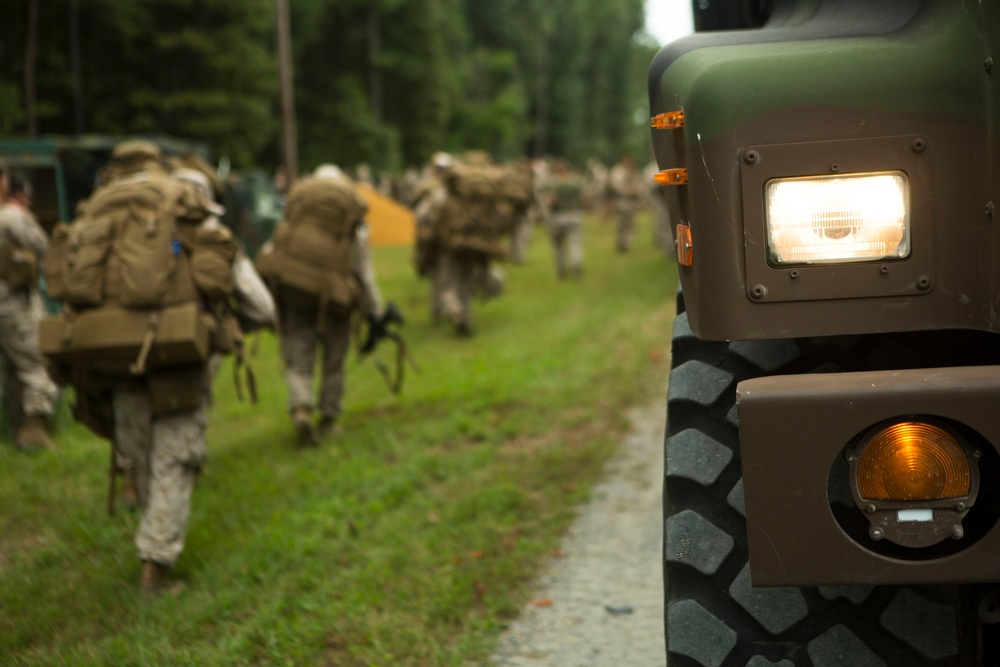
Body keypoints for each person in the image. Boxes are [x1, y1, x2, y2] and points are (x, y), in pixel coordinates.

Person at [42, 140, 249, 593]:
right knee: (176, 453)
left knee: (139, 447)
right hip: (171, 346)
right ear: (156, 163)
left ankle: (146, 513)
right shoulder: (178, 200)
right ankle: (155, 564)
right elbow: (217, 275)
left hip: (109, 351)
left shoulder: (95, 209)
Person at [258, 164, 384, 445]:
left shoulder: (296, 218)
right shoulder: (353, 228)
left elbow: (272, 252)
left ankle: (301, 406)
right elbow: (364, 272)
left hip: (295, 295)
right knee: (334, 360)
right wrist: (374, 310)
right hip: (335, 301)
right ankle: (329, 417)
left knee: (298, 356)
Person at [0, 174, 59, 451]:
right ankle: (34, 429)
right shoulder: (12, 217)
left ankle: (14, 427)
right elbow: (44, 248)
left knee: (11, 369)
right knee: (36, 363)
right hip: (14, 303)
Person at [542, 159, 586, 280]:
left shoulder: (552, 183)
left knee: (558, 246)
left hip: (558, 217)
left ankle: (562, 269)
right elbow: (583, 199)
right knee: (575, 243)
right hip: (574, 215)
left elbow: (551, 201)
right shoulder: (576, 182)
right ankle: (576, 263)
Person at [608, 155, 641, 252]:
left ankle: (627, 243)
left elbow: (638, 183)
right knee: (621, 223)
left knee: (630, 223)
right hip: (621, 200)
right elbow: (615, 186)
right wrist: (628, 191)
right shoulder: (617, 171)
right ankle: (621, 243)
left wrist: (636, 190)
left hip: (631, 201)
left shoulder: (633, 171)